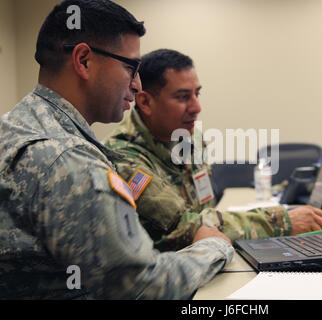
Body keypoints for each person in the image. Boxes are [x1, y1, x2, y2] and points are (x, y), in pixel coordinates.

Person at [0, 0, 233, 300]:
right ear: (83, 61)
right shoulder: (68, 160)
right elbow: (143, 286)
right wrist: (213, 247)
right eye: (131, 67)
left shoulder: (16, 126)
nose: (137, 85)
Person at [104, 49, 322, 252]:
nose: (196, 107)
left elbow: (206, 212)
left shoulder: (189, 137)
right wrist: (281, 222)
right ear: (145, 103)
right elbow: (185, 227)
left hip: (210, 256)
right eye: (183, 97)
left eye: (197, 94)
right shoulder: (124, 159)